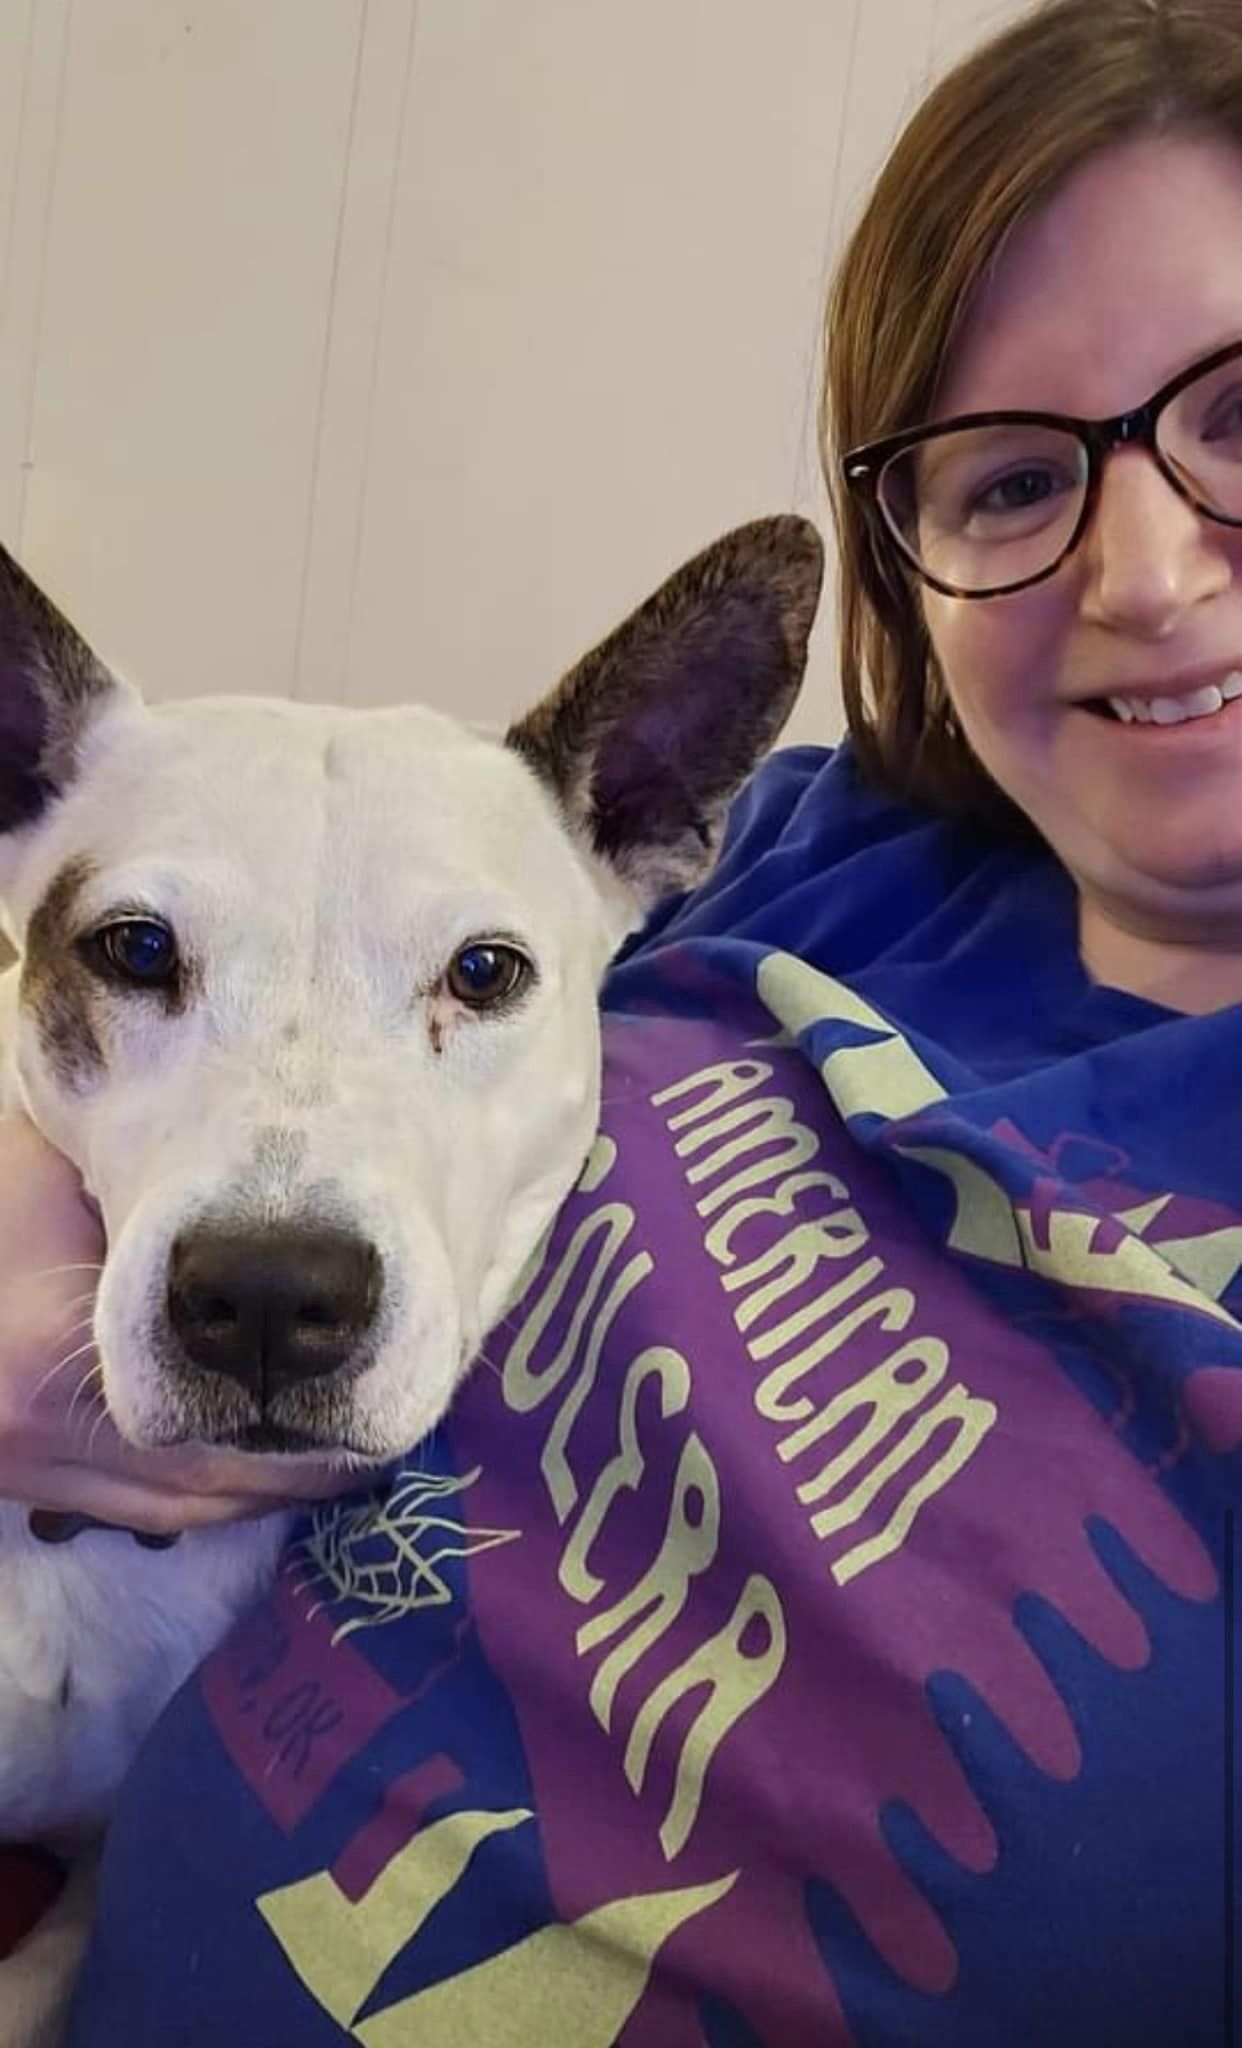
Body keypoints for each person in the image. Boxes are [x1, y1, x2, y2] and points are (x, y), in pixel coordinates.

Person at [5, 0, 1242, 2039]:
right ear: (911, 556)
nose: (1148, 572)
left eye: (1237, 418)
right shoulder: (812, 855)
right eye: (1014, 479)